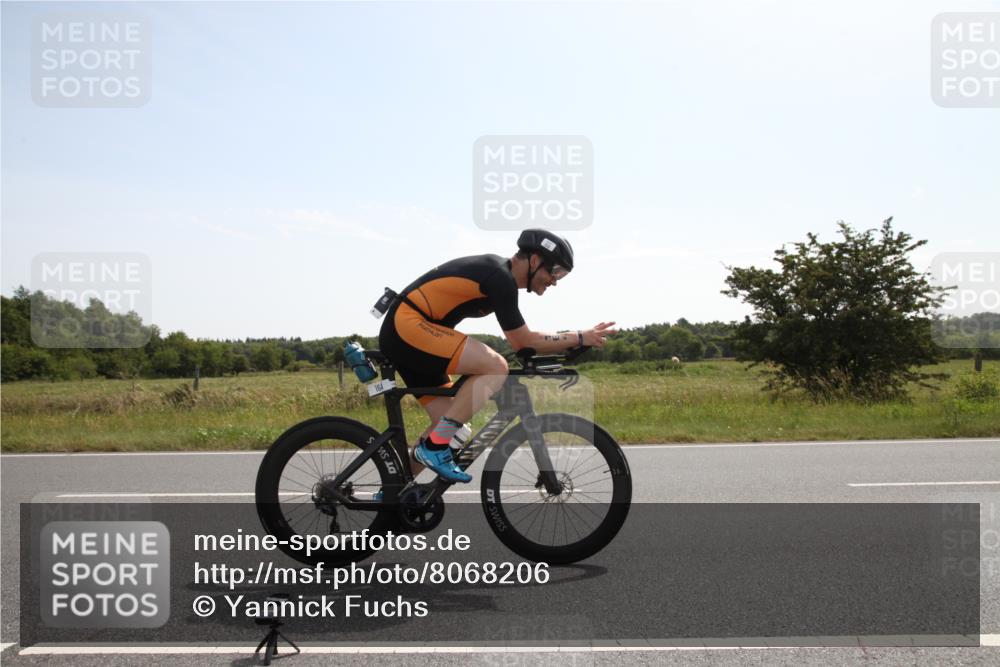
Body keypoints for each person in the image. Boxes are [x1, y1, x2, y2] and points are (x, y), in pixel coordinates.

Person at [378, 229, 616, 483]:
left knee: (453, 429)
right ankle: (434, 447)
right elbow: (523, 341)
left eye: (561, 275)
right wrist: (579, 336)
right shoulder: (499, 277)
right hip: (408, 326)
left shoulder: (501, 278)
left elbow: (523, 344)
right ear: (534, 261)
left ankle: (395, 492)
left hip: (411, 332)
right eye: (554, 271)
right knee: (494, 367)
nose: (555, 280)